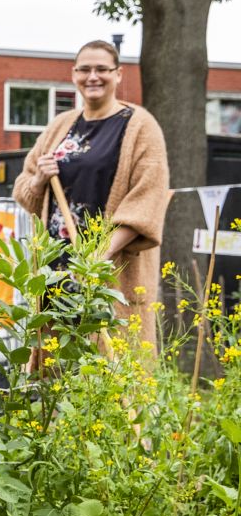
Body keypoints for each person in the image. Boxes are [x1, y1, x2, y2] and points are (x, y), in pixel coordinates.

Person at [13, 40, 171, 346]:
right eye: (84, 69)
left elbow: (146, 200)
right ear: (74, 75)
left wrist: (98, 255)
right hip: (56, 268)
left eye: (102, 69)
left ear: (118, 74)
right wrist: (40, 180)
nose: (93, 77)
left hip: (106, 268)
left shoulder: (140, 126)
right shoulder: (60, 126)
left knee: (112, 362)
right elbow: (25, 189)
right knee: (57, 364)